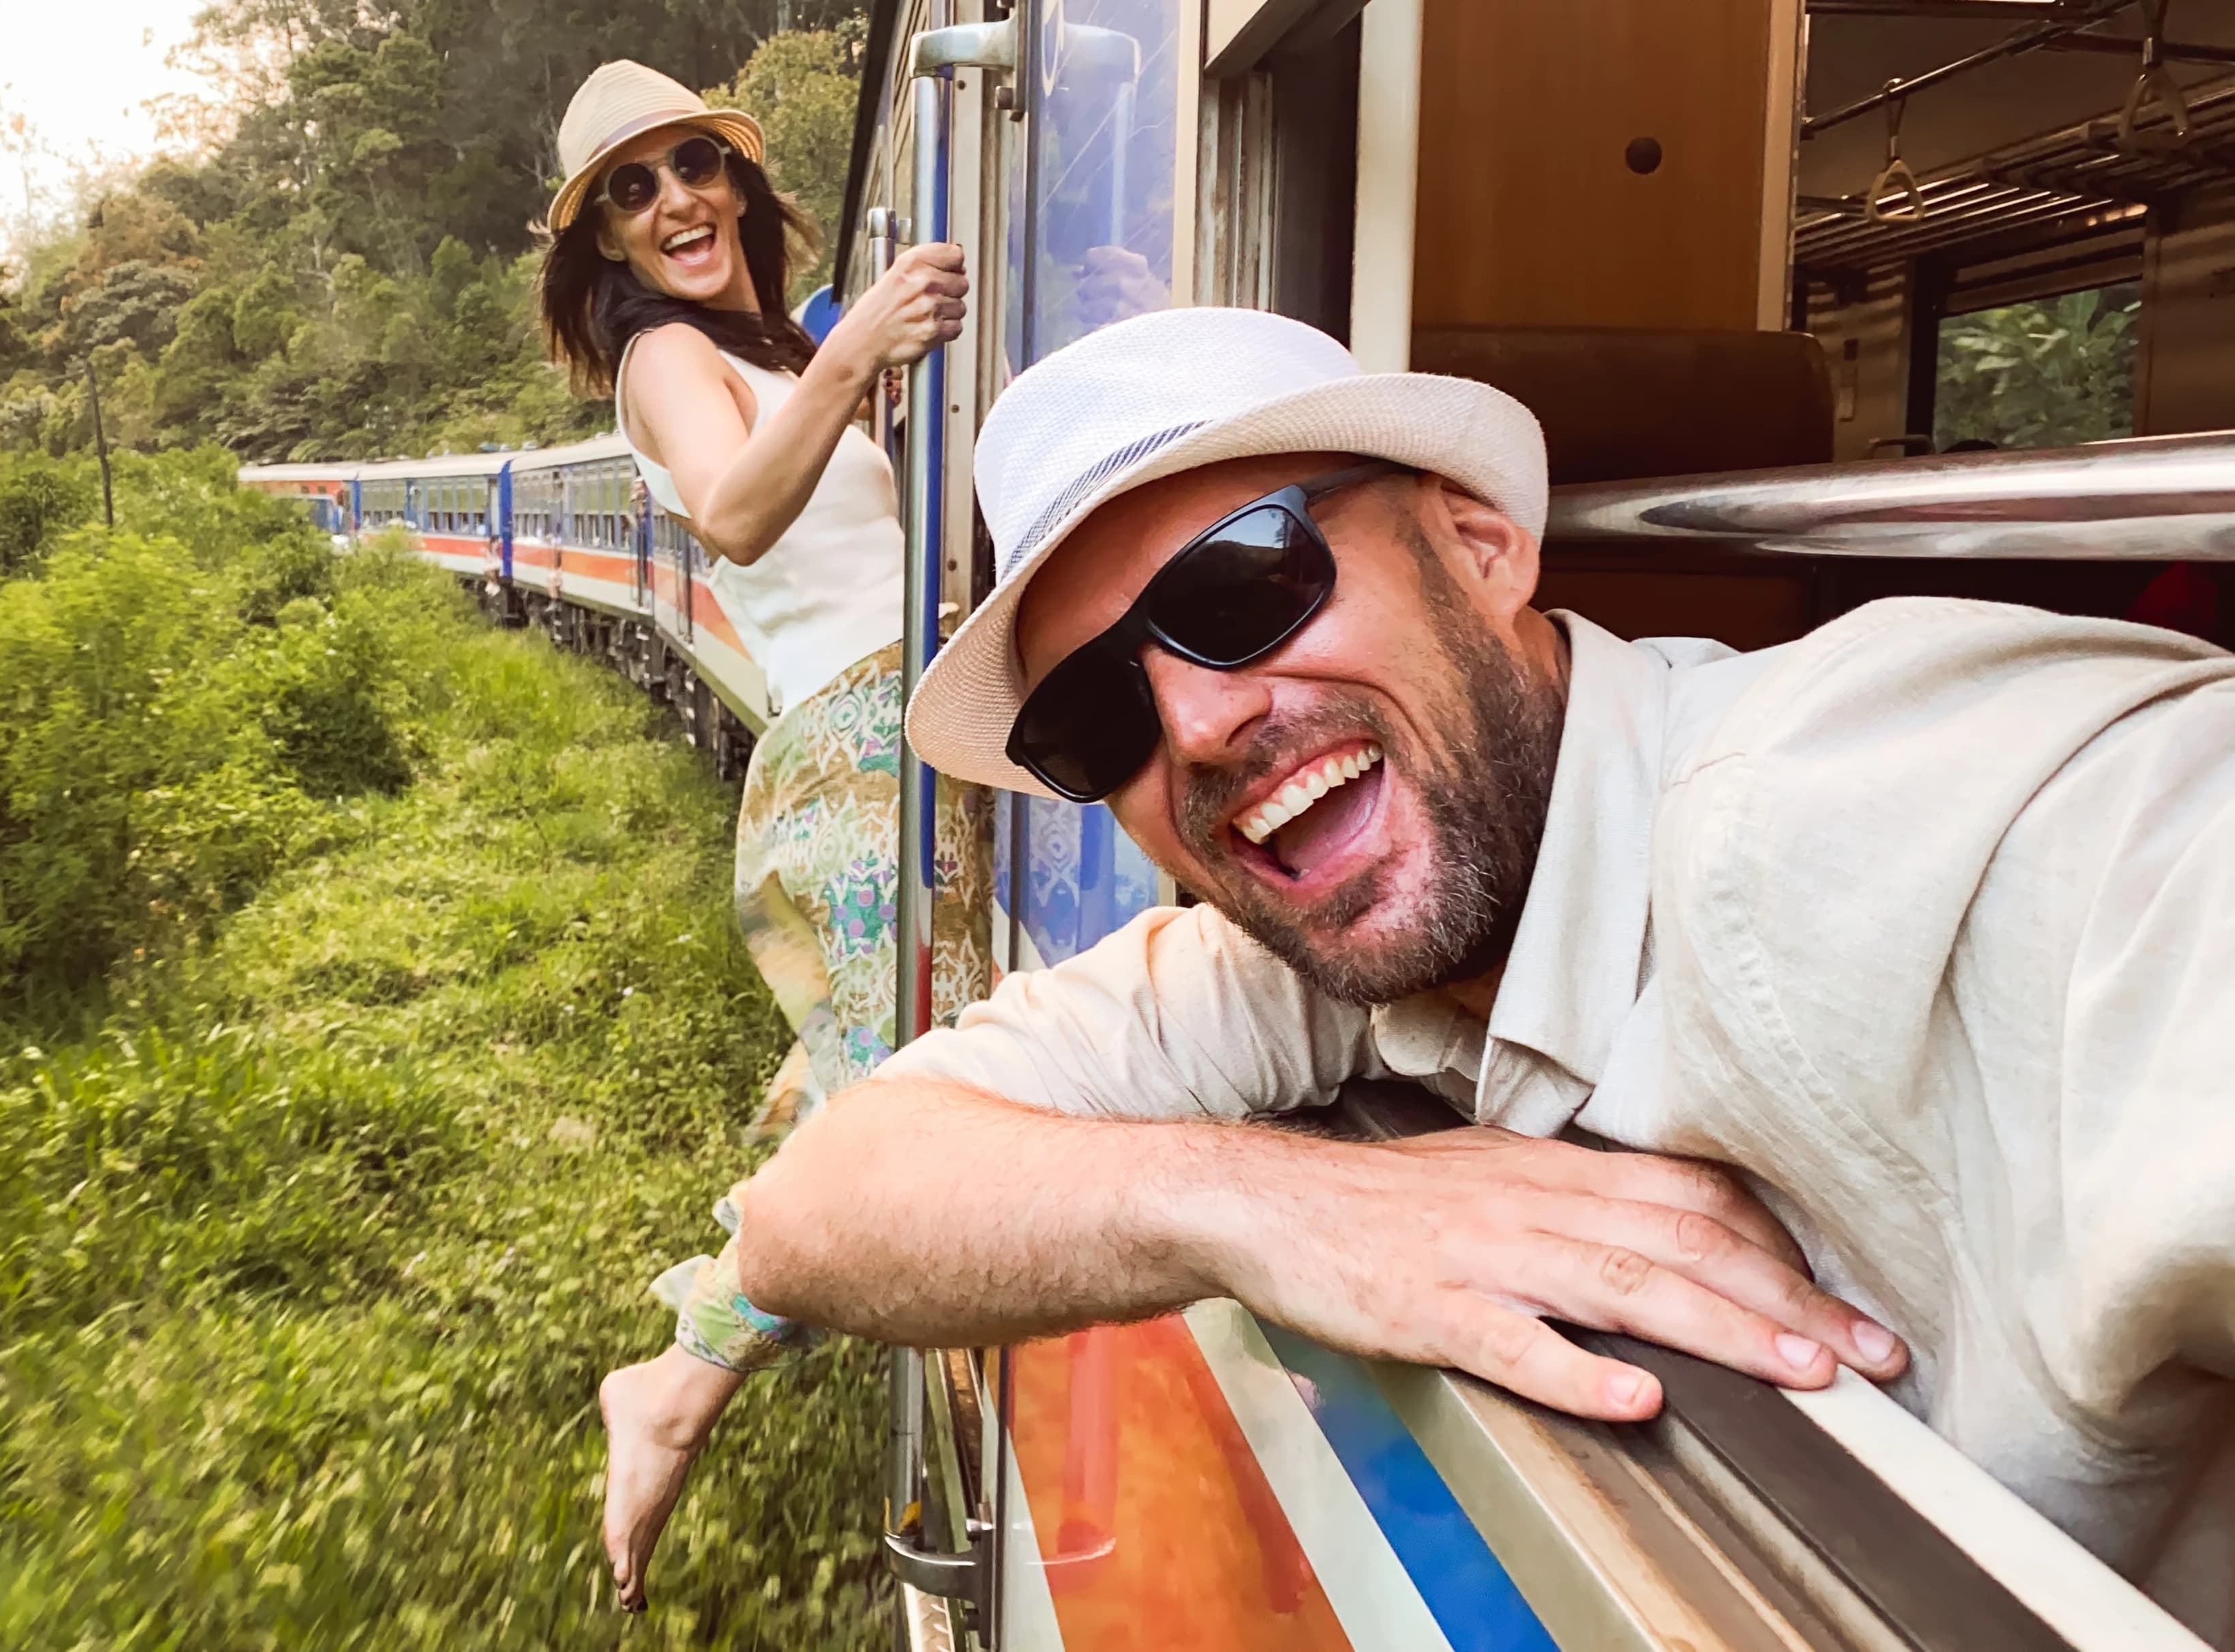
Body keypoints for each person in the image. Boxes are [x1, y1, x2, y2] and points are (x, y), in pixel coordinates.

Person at [735, 306, 2235, 1643]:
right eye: (1097, 716)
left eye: (1243, 584)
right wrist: (1282, 1201)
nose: (1192, 726)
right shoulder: (1306, 950)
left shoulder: (1928, 817)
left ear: (1481, 548)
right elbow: (812, 1209)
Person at [533, 61, 990, 1611]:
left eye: (695, 166)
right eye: (635, 189)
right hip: (849, 760)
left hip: (894, 737)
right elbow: (732, 513)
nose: (677, 201)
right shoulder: (665, 354)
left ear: (736, 182)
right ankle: (676, 1379)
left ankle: (713, 1373)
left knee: (923, 1087)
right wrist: (859, 349)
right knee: (900, 1112)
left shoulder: (763, 347)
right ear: (604, 238)